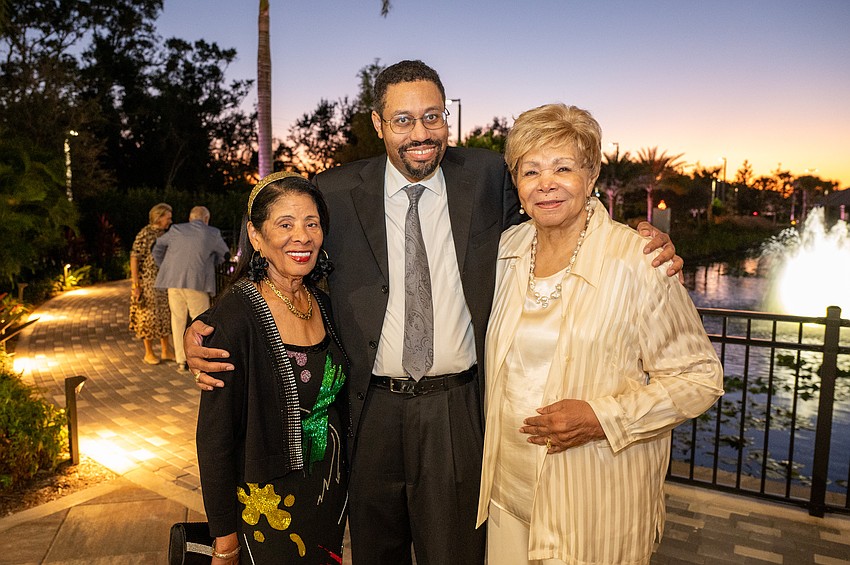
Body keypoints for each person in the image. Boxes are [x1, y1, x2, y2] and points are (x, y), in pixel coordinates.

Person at [187, 60, 682, 565]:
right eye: (402, 120)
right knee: (377, 553)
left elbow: (557, 204)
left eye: (432, 117)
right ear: (378, 125)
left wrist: (632, 235)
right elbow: (285, 256)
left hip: (457, 409)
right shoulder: (334, 191)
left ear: (446, 119)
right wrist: (206, 327)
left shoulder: (488, 176)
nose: (420, 133)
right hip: (370, 412)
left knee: (457, 553)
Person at [475, 103, 724, 565]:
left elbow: (700, 377)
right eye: (530, 171)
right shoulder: (505, 251)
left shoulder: (639, 260)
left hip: (594, 502)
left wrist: (601, 417)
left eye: (563, 167)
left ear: (591, 176)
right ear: (517, 184)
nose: (546, 183)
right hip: (507, 496)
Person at [196, 172, 349, 564]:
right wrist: (225, 542)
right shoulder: (235, 317)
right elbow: (214, 440)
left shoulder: (324, 304)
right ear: (257, 237)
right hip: (266, 515)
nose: (302, 236)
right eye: (285, 224)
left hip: (326, 505)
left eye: (311, 224)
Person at [152, 205, 229, 372]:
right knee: (201, 320)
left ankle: (181, 360)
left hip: (173, 281)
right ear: (206, 219)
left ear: (190, 218)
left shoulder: (175, 229)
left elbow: (158, 246)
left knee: (178, 319)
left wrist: (164, 265)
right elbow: (225, 254)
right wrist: (211, 263)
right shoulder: (212, 233)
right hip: (197, 282)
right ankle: (201, 358)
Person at [128, 202, 173, 365]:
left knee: (163, 315)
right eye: (168, 217)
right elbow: (134, 257)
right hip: (148, 281)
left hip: (163, 281)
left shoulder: (164, 234)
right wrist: (136, 284)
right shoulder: (145, 234)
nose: (170, 221)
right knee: (147, 316)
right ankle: (149, 352)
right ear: (159, 217)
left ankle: (166, 350)